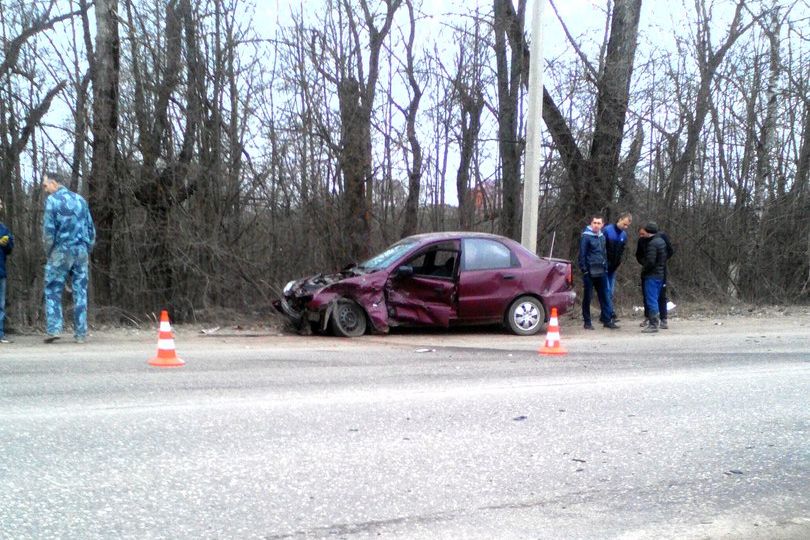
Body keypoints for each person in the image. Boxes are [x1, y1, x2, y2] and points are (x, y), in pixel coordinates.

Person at [42, 171, 96, 343]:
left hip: (61, 250)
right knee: (80, 290)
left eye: (45, 185)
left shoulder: (52, 201)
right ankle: (80, 332)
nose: (45, 189)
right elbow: (91, 230)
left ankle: (54, 329)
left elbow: (48, 232)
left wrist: (49, 252)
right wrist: (86, 248)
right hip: (80, 251)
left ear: (54, 183)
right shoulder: (81, 200)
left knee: (52, 288)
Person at [578, 214, 618, 330]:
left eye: (598, 223)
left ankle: (607, 320)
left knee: (605, 296)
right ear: (591, 223)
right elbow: (582, 255)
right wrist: (585, 271)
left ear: (602, 225)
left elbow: (604, 253)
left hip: (602, 271)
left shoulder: (602, 237)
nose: (596, 225)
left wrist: (605, 267)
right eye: (594, 223)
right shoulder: (586, 236)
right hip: (589, 272)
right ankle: (587, 322)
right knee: (588, 297)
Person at [635, 225, 674, 329]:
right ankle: (649, 318)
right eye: (640, 234)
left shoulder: (658, 240)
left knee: (658, 296)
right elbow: (638, 255)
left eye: (643, 233)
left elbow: (668, 252)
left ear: (648, 232)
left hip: (655, 272)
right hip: (654, 271)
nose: (641, 236)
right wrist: (644, 263)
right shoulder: (643, 241)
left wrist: (659, 262)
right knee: (648, 296)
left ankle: (660, 320)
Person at [603, 212, 632, 320]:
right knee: (606, 291)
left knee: (610, 292)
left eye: (627, 226)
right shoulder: (607, 230)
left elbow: (622, 252)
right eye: (624, 224)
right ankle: (609, 314)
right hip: (604, 266)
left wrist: (619, 263)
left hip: (613, 268)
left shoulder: (623, 235)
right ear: (619, 219)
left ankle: (607, 313)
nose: (625, 227)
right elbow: (601, 248)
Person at [0, 198, 14, 344]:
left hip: (1, 272)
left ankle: (0, 333)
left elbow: (9, 249)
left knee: (1, 305)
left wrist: (8, 243)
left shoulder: (3, 228)